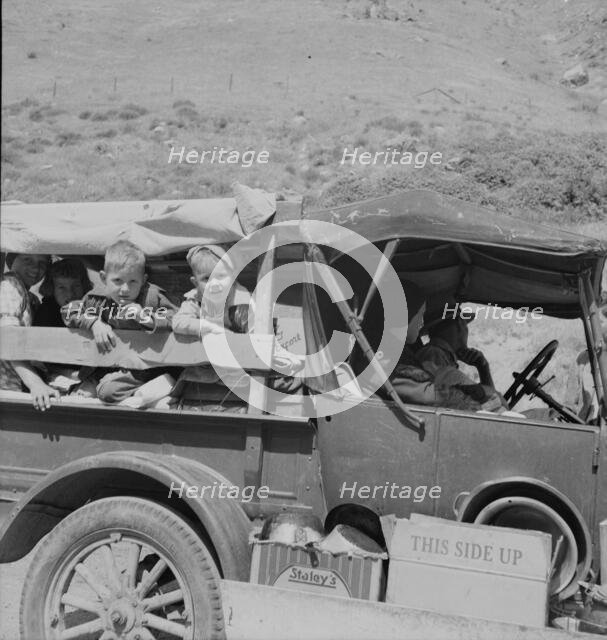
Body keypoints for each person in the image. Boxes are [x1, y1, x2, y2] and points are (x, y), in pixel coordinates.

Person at [172, 245, 302, 404]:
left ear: (233, 278)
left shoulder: (241, 302)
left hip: (241, 358)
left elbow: (257, 332)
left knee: (272, 367)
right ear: (195, 282)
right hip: (211, 360)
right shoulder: (195, 299)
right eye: (206, 278)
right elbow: (178, 322)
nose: (215, 284)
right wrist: (205, 326)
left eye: (221, 276)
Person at [62, 240, 178, 403]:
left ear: (143, 280)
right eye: (117, 281)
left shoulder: (151, 298)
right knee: (80, 393)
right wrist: (94, 323)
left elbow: (176, 318)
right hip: (107, 365)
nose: (125, 289)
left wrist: (147, 318)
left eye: (133, 282)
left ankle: (162, 383)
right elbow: (69, 311)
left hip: (144, 367)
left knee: (106, 391)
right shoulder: (97, 299)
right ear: (104, 278)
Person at [0, 252, 58, 410]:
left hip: (16, 385)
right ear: (11, 259)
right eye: (27, 260)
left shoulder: (29, 296)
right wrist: (35, 383)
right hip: (8, 388)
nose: (35, 268)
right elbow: (8, 340)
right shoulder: (9, 286)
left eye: (42, 263)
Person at [416, 316, 504, 408]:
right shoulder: (433, 354)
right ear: (459, 326)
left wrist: (482, 367)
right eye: (464, 324)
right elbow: (494, 399)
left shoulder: (439, 355)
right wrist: (483, 367)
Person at [34, 258, 93, 327]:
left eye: (76, 286)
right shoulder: (45, 313)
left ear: (84, 286)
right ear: (52, 289)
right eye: (62, 288)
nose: (70, 294)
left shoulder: (92, 308)